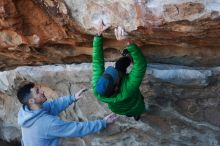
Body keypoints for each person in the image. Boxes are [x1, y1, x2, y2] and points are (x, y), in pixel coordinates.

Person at [17, 82, 117, 146]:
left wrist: (72, 98)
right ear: (31, 101)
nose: (42, 91)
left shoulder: (26, 112)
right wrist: (103, 122)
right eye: (37, 91)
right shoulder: (47, 123)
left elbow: (52, 106)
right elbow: (76, 129)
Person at [92, 20, 148, 121]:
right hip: (135, 105)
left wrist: (98, 35)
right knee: (136, 110)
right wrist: (128, 43)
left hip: (116, 108)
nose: (112, 70)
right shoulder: (128, 88)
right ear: (117, 87)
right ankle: (136, 115)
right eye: (115, 75)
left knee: (119, 65)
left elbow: (97, 62)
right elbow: (141, 65)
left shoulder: (98, 86)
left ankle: (128, 57)